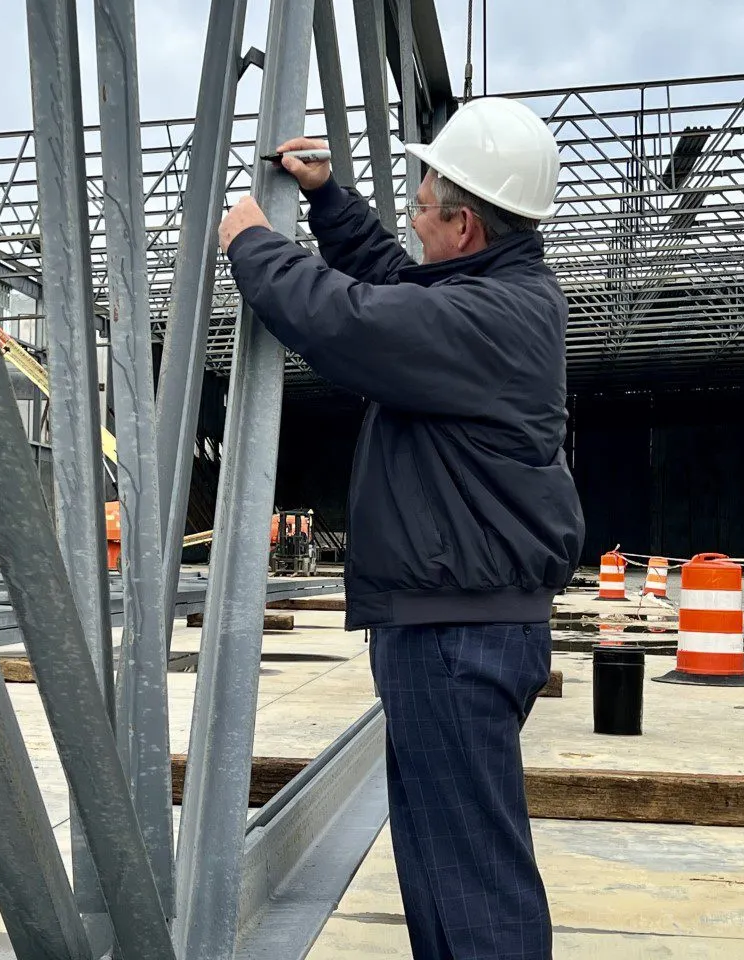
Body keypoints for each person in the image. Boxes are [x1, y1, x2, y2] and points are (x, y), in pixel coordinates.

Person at [218, 97, 584, 960]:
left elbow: (352, 322)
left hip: (459, 635)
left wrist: (252, 243)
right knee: (442, 862)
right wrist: (329, 202)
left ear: (463, 225)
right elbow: (396, 282)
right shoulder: (495, 291)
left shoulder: (490, 320)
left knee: (472, 880)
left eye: (423, 205)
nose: (412, 218)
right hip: (459, 625)